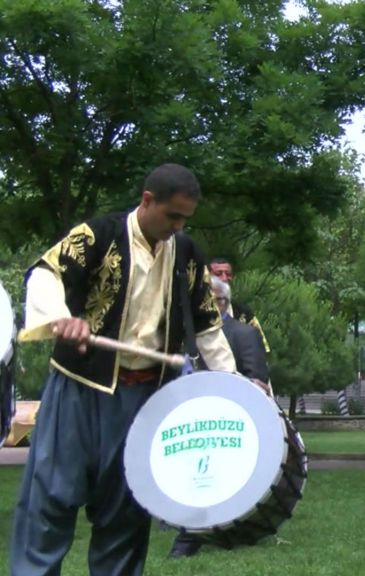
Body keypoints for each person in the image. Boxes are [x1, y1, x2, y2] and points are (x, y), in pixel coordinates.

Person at [10, 164, 238, 576]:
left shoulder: (185, 254)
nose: (178, 226)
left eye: (185, 218)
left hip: (145, 400)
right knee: (51, 499)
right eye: (173, 216)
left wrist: (234, 390)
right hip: (79, 389)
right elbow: (46, 273)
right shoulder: (98, 234)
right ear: (147, 200)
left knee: (126, 512)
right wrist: (62, 318)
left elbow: (207, 328)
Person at [168, 274, 270, 558]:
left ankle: (188, 539)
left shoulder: (245, 333)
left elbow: (256, 380)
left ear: (222, 302)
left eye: (206, 300)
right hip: (186, 421)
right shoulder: (181, 334)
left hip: (226, 425)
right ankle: (184, 524)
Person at [209, 257, 270, 353]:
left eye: (228, 274)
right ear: (207, 278)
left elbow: (262, 347)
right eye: (218, 274)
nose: (224, 278)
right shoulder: (198, 311)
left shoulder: (244, 313)